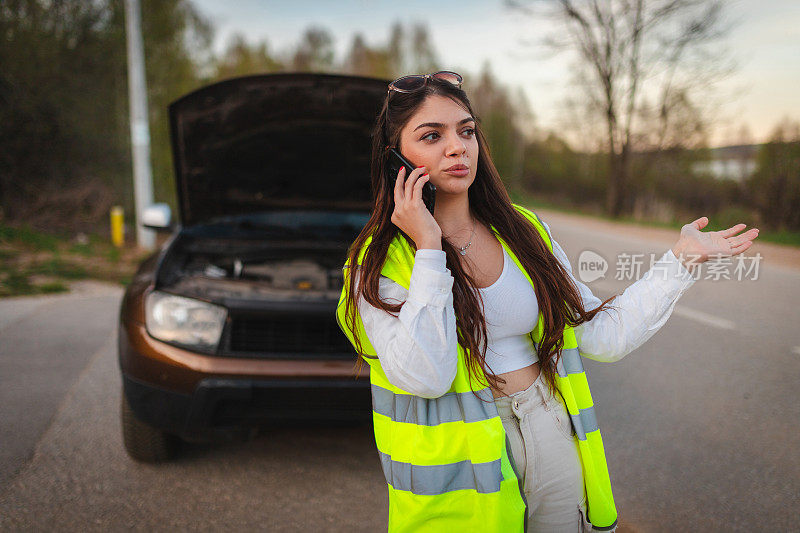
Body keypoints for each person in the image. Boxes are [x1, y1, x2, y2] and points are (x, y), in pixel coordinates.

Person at [335, 71, 759, 533]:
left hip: (548, 426)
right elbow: (427, 375)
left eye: (467, 131)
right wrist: (429, 248)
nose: (457, 147)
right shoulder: (375, 264)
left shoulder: (524, 230)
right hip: (462, 468)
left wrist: (680, 260)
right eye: (431, 135)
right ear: (395, 158)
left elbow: (601, 334)